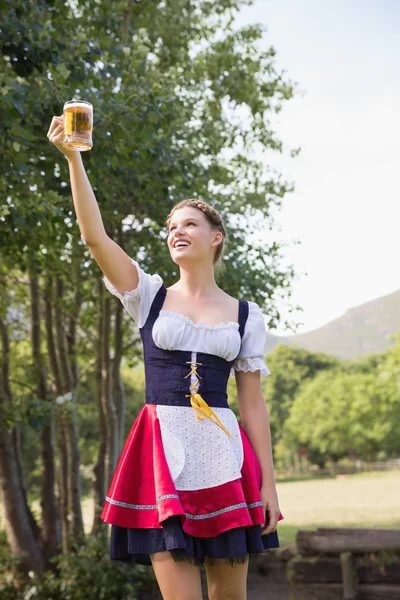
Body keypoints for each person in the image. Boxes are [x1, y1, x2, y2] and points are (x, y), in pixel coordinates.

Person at [47, 115, 283, 600]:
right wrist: (74, 159)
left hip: (224, 454)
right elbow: (96, 239)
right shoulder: (148, 295)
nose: (177, 231)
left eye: (190, 224)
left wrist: (269, 486)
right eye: (171, 226)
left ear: (215, 237)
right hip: (161, 452)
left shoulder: (245, 315)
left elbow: (253, 406)